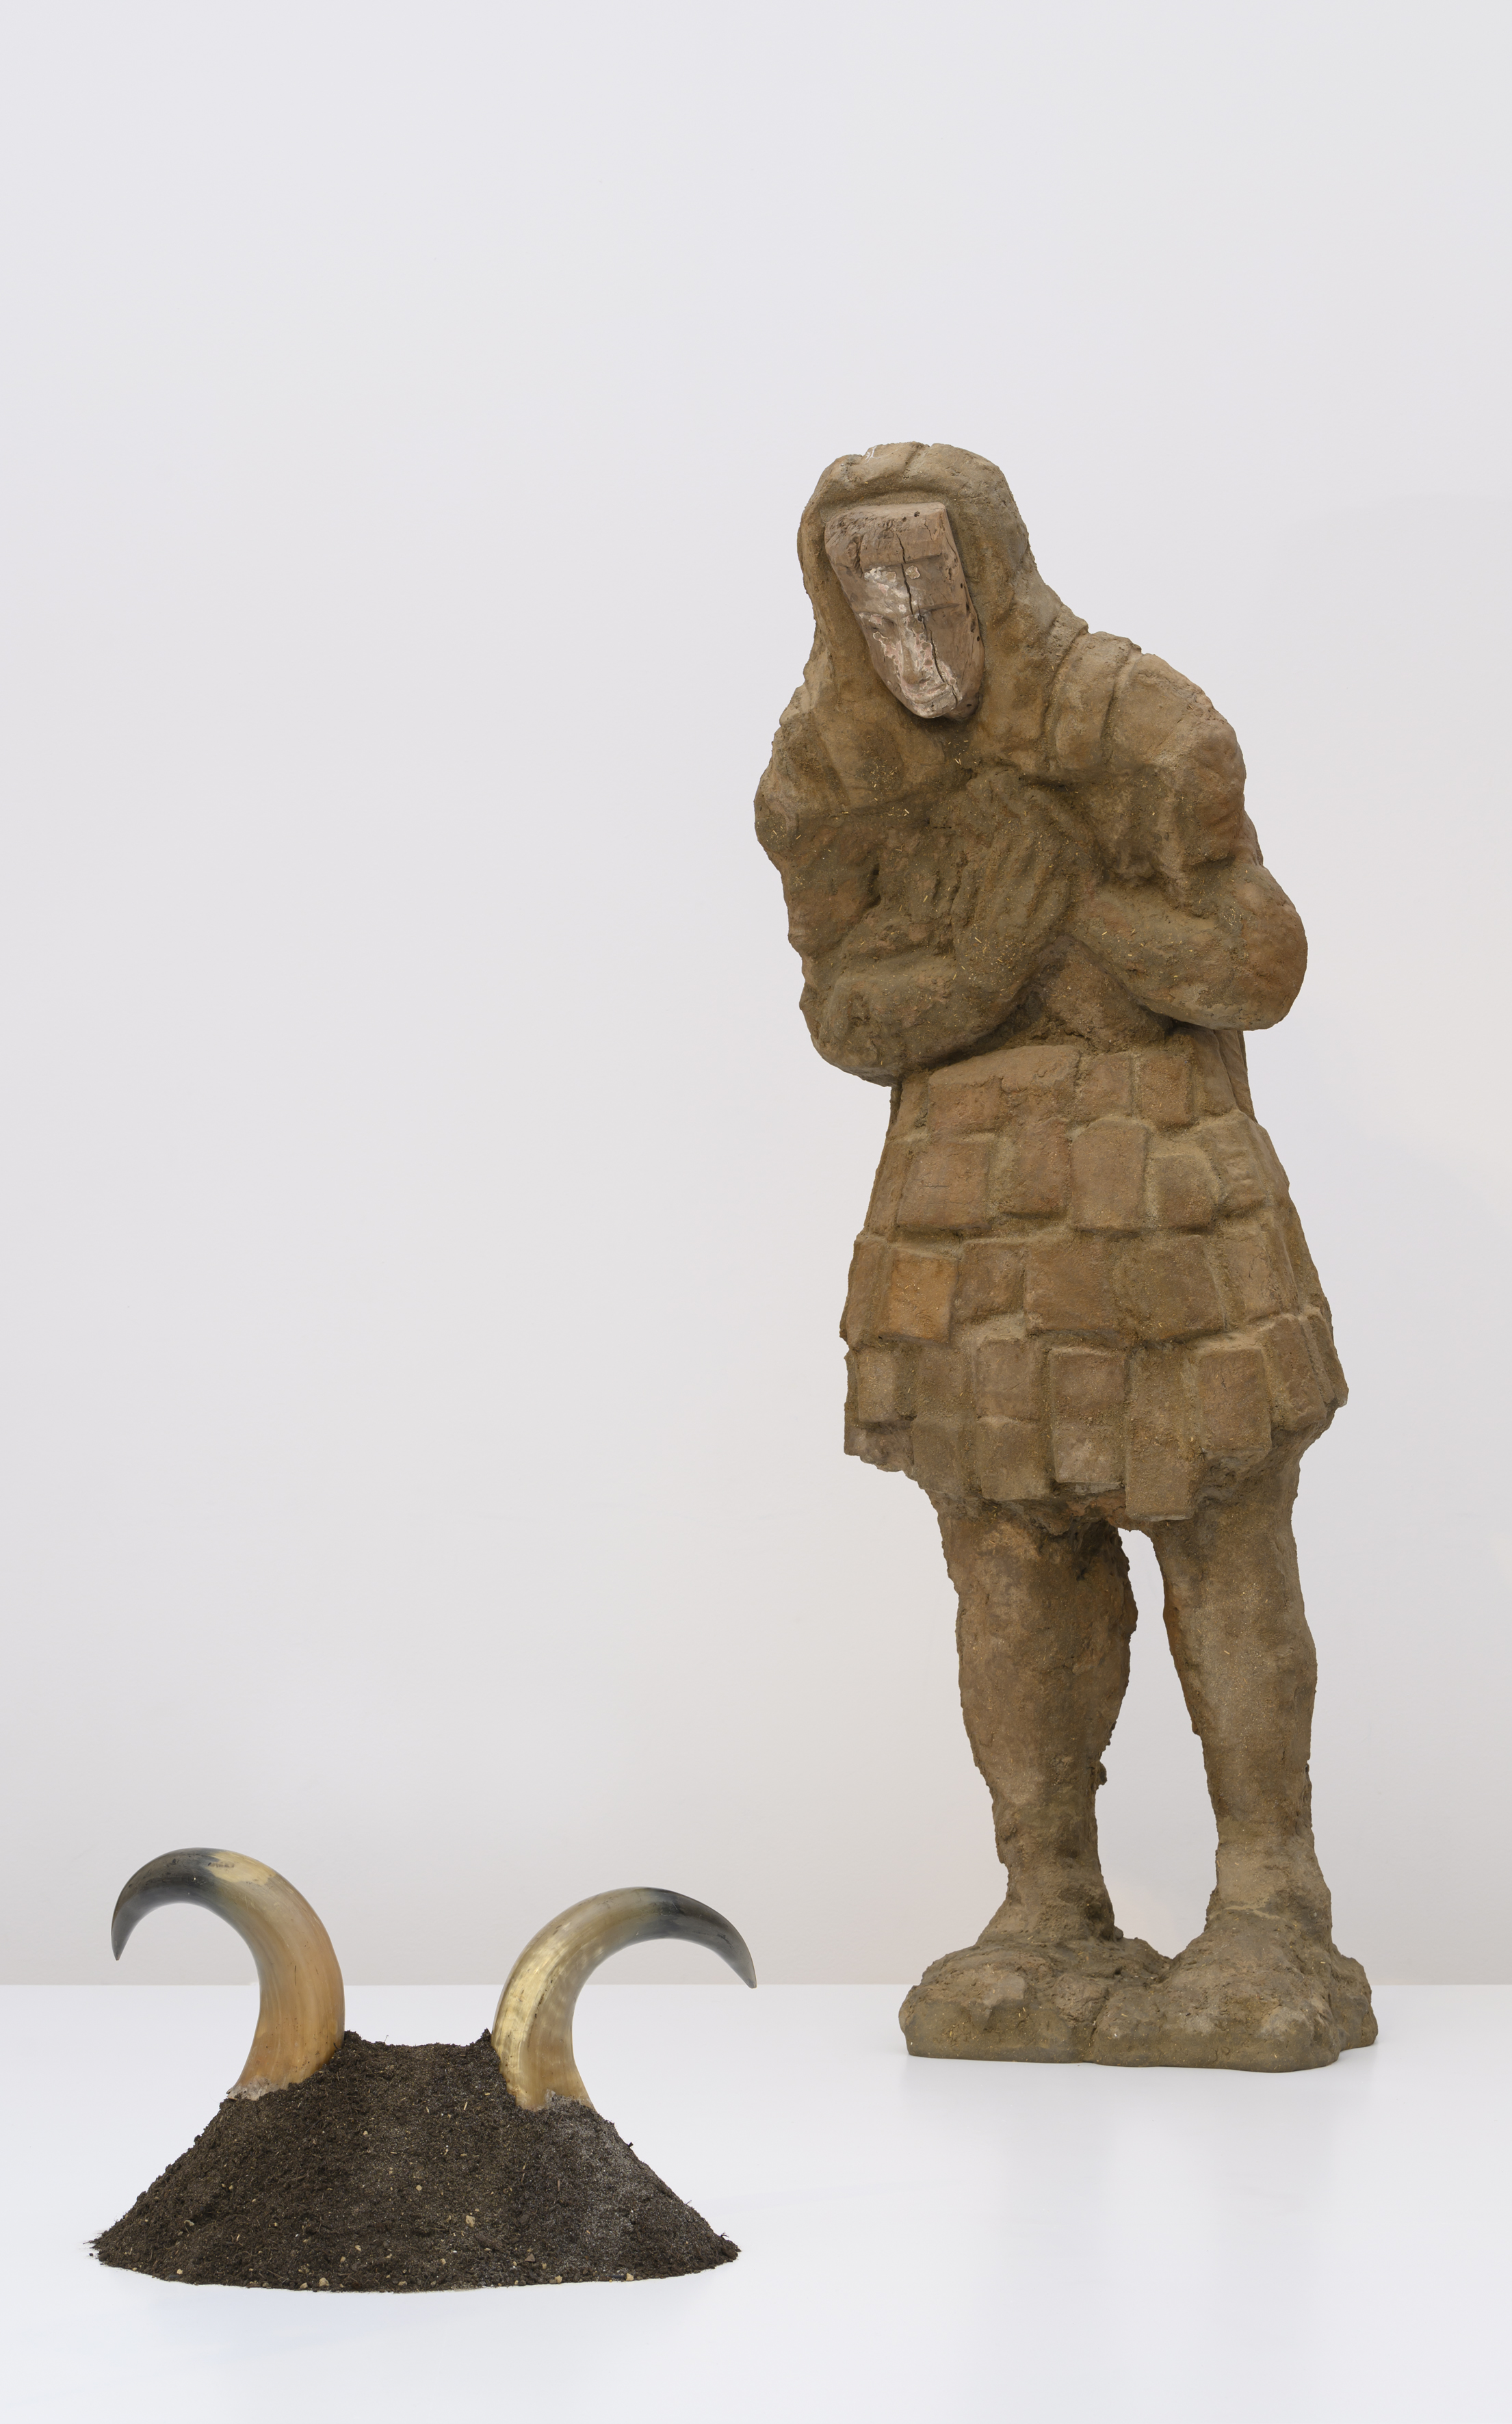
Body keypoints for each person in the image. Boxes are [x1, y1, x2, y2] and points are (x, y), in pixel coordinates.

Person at [755, 443, 1374, 2069]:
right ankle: (1045, 1900)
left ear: (991, 570)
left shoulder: (1131, 719)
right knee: (1006, 1558)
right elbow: (846, 1011)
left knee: (1218, 1531)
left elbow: (1253, 959)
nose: (907, 630)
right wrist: (982, 955)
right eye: (871, 598)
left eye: (929, 586)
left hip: (1160, 1193)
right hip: (963, 1221)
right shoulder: (827, 769)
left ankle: (1266, 1897)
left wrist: (1072, 911)